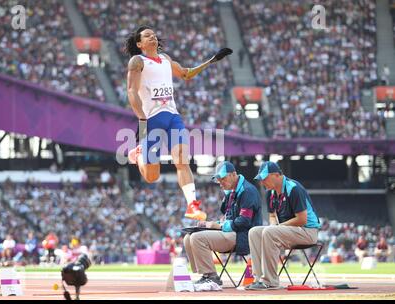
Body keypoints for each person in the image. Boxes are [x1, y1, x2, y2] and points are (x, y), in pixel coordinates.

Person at [125, 25, 232, 221]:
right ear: (139, 44)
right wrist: (141, 119)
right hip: (152, 119)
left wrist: (211, 61)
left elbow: (185, 73)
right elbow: (131, 91)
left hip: (173, 117)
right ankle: (139, 155)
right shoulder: (138, 61)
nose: (153, 37)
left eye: (154, 34)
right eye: (147, 36)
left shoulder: (165, 59)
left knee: (182, 161)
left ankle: (192, 204)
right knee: (151, 176)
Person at [183, 161, 262, 286]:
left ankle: (211, 277)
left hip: (244, 236)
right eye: (218, 180)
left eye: (222, 178)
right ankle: (204, 274)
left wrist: (219, 226)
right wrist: (211, 224)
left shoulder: (248, 191)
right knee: (188, 238)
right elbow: (228, 217)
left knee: (197, 238)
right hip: (232, 232)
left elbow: (244, 221)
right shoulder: (231, 192)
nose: (220, 183)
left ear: (233, 174)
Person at [247, 161, 321, 290]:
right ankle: (258, 278)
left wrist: (277, 227)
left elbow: (302, 219)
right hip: (290, 231)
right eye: (260, 179)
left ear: (276, 175)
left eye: (264, 178)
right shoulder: (271, 192)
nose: (262, 182)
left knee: (269, 232)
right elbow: (271, 215)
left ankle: (270, 281)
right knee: (254, 232)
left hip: (308, 231)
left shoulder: (293, 188)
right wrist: (274, 225)